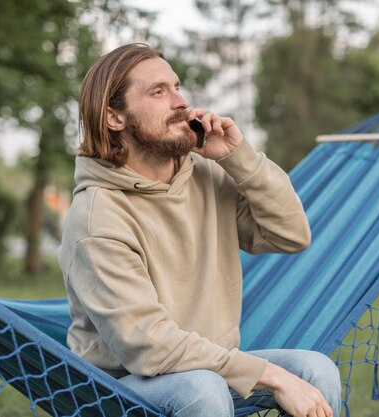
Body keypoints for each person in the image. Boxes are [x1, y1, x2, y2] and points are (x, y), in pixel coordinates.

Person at [59, 42, 341, 417]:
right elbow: (151, 346)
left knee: (315, 369)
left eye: (177, 87)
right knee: (202, 388)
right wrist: (271, 376)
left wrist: (238, 159)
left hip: (210, 367)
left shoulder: (206, 175)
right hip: (118, 389)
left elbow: (290, 234)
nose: (180, 101)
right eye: (158, 92)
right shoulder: (97, 217)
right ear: (114, 118)